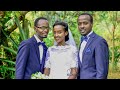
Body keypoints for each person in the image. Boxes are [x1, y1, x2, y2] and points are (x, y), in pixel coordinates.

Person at [77, 13, 109, 79]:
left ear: (91, 24)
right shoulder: (82, 42)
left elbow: (102, 71)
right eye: (79, 24)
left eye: (85, 23)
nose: (82, 26)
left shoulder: (99, 41)